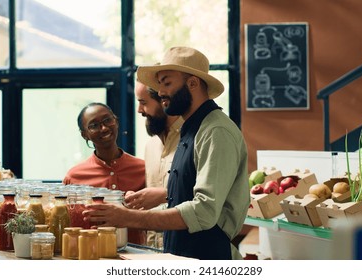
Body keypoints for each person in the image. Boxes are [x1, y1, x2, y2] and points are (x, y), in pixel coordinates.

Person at [84, 47, 250, 260]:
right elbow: (192, 187)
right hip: (181, 256)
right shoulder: (192, 128)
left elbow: (204, 212)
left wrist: (130, 218)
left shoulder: (215, 131)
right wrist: (166, 193)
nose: (160, 92)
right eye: (159, 84)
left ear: (192, 83)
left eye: (167, 83)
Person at [63, 102, 146, 245]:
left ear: (116, 122)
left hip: (136, 255)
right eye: (94, 125)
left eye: (108, 120)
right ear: (85, 135)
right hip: (90, 253)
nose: (104, 128)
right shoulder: (74, 176)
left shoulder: (143, 169)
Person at [125, 81, 184, 248]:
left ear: (164, 101)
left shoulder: (194, 139)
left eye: (143, 103)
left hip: (187, 252)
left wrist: (164, 194)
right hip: (154, 251)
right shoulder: (150, 146)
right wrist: (138, 202)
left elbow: (207, 199)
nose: (139, 110)